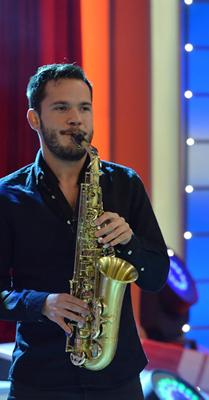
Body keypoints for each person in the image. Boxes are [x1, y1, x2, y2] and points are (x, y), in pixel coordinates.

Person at [0, 63, 169, 399]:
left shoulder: (125, 184)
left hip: (117, 379)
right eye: (61, 108)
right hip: (40, 380)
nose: (76, 119)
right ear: (34, 119)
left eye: (84, 108)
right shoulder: (8, 196)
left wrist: (129, 243)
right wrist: (42, 304)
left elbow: (157, 276)